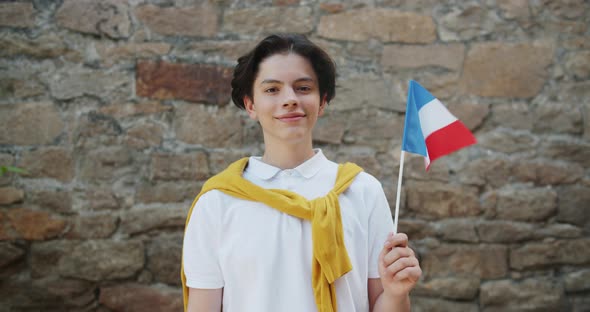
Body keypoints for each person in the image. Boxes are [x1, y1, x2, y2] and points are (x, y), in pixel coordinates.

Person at [181, 33, 421, 312]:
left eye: (303, 88)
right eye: (272, 90)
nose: (290, 99)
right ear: (250, 105)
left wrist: (396, 294)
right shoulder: (216, 202)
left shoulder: (363, 191)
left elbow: (383, 304)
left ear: (322, 102)